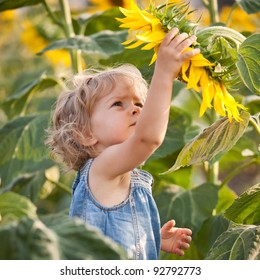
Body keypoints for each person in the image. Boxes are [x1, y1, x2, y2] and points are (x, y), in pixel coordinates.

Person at [46, 28, 199, 260]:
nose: (137, 109)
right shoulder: (101, 167)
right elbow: (148, 138)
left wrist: (151, 238)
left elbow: (115, 234)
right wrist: (164, 72)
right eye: (118, 104)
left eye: (139, 103)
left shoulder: (120, 173)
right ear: (86, 133)